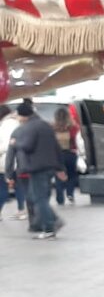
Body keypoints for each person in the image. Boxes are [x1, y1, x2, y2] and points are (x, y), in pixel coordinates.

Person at [12, 101, 67, 240]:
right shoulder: (45, 125)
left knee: (39, 199)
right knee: (36, 196)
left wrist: (16, 143)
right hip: (49, 167)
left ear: (23, 116)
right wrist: (60, 168)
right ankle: (54, 220)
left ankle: (49, 228)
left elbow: (28, 146)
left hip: (37, 167)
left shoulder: (29, 127)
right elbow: (56, 147)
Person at [51, 107, 81, 205]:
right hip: (71, 153)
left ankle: (60, 198)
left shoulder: (53, 127)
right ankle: (70, 193)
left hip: (57, 155)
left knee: (58, 175)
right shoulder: (74, 127)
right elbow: (78, 140)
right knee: (72, 175)